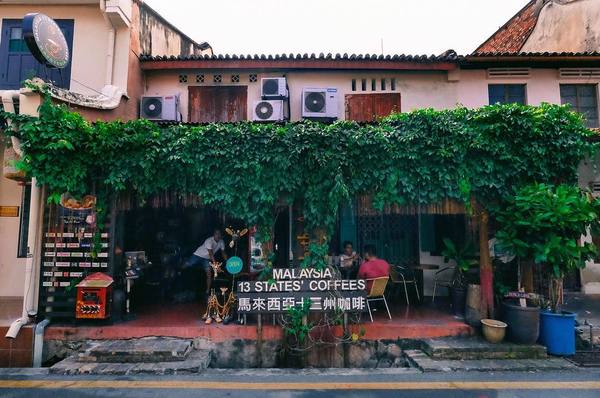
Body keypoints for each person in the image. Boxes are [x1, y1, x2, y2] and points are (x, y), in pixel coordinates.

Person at [184, 229, 227, 299]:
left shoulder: (221, 242)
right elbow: (211, 253)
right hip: (198, 255)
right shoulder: (209, 240)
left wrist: (228, 262)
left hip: (206, 259)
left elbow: (223, 253)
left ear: (221, 235)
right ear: (214, 234)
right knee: (188, 264)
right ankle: (179, 270)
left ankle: (207, 292)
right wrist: (215, 265)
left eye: (219, 234)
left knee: (209, 274)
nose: (218, 235)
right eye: (216, 234)